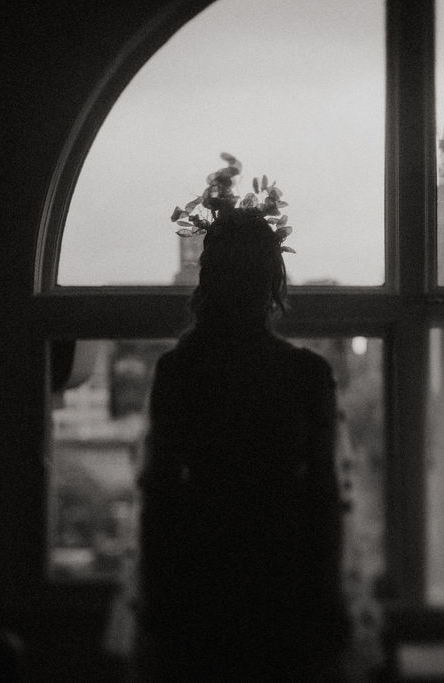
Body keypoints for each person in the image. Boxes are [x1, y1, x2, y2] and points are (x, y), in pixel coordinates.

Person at [137, 155, 349, 681]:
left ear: (208, 280)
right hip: (284, 570)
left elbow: (159, 494)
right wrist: (326, 593)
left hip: (199, 572)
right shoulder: (307, 374)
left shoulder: (179, 370)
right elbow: (323, 493)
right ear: (271, 284)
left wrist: (157, 596)